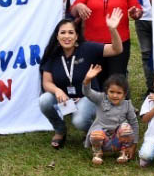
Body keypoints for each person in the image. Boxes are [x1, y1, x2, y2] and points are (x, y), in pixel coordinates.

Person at [40, 12, 124, 149]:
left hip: (87, 96)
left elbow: (116, 49)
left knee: (79, 121)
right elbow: (46, 82)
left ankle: (93, 131)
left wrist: (113, 29)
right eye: (63, 33)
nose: (67, 36)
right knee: (44, 100)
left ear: (77, 36)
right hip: (66, 100)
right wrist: (57, 90)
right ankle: (60, 130)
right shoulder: (53, 54)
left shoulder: (87, 49)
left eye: (71, 33)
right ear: (57, 36)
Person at [71, 0, 143, 79]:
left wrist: (136, 12)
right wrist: (79, 6)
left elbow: (137, 9)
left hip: (119, 42)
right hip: (92, 44)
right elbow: (73, 10)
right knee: (94, 80)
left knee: (116, 79)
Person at [81, 65, 138, 165]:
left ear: (125, 94)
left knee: (126, 128)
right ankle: (98, 153)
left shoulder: (128, 104)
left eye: (119, 93)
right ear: (106, 91)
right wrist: (87, 80)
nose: (115, 95)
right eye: (111, 92)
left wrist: (133, 146)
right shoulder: (100, 98)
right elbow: (87, 92)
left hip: (119, 141)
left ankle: (123, 152)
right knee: (96, 133)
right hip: (102, 141)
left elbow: (134, 124)